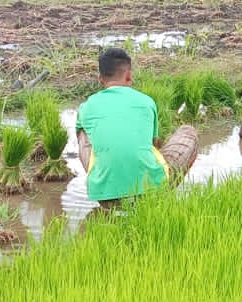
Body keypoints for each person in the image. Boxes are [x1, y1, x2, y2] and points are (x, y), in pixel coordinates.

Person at [76, 48, 199, 212]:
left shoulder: (87, 106)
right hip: (150, 191)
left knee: (83, 131)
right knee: (188, 132)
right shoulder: (146, 102)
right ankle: (162, 198)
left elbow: (84, 139)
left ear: (100, 79)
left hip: (105, 195)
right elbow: (153, 144)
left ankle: (107, 186)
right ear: (129, 76)